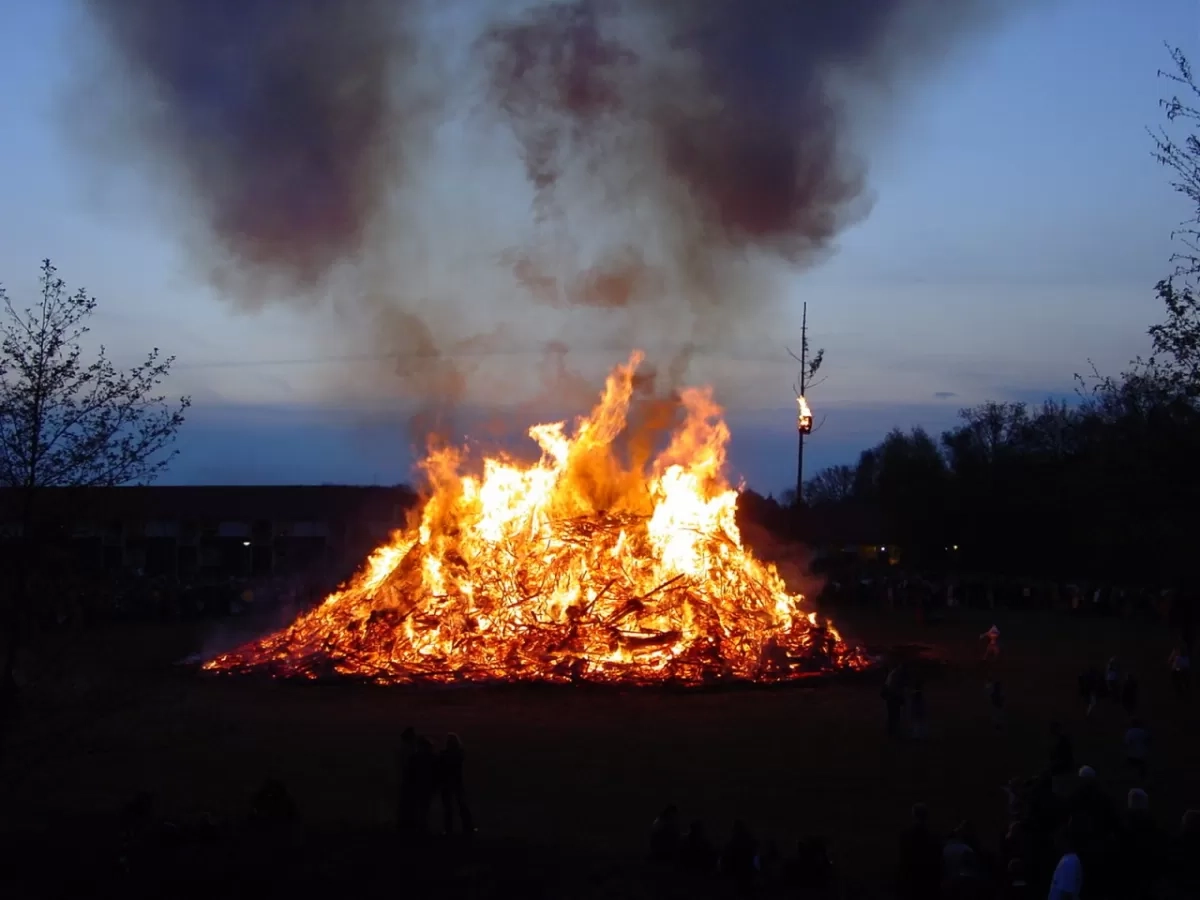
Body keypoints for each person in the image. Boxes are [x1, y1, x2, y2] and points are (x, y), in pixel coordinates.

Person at [897, 803, 941, 900]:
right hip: (928, 881)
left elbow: (903, 859)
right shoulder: (934, 836)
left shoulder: (905, 835)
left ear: (913, 815)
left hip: (911, 880)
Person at [436, 733, 474, 835]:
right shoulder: (459, 754)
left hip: (447, 783)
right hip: (457, 782)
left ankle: (449, 830)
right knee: (462, 806)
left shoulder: (444, 754)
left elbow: (439, 769)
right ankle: (467, 828)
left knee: (449, 808)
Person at [1048, 831, 1083, 900]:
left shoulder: (1069, 862)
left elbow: (1066, 894)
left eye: (1058, 840)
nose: (1056, 844)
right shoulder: (1067, 859)